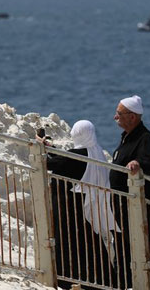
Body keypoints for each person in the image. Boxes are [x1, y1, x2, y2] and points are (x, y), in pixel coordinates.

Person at [38, 120, 118, 289]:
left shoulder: (77, 156)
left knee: (68, 244)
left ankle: (65, 280)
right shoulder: (95, 153)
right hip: (87, 206)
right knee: (89, 245)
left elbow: (54, 163)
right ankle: (102, 282)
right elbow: (65, 159)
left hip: (70, 207)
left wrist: (40, 149)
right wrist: (49, 146)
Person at [108, 95, 150, 289]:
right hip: (123, 205)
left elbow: (146, 160)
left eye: (119, 114)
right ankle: (124, 285)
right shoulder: (128, 135)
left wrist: (137, 164)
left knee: (138, 251)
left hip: (136, 206)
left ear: (132, 117)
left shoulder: (144, 137)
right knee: (123, 249)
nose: (115, 117)